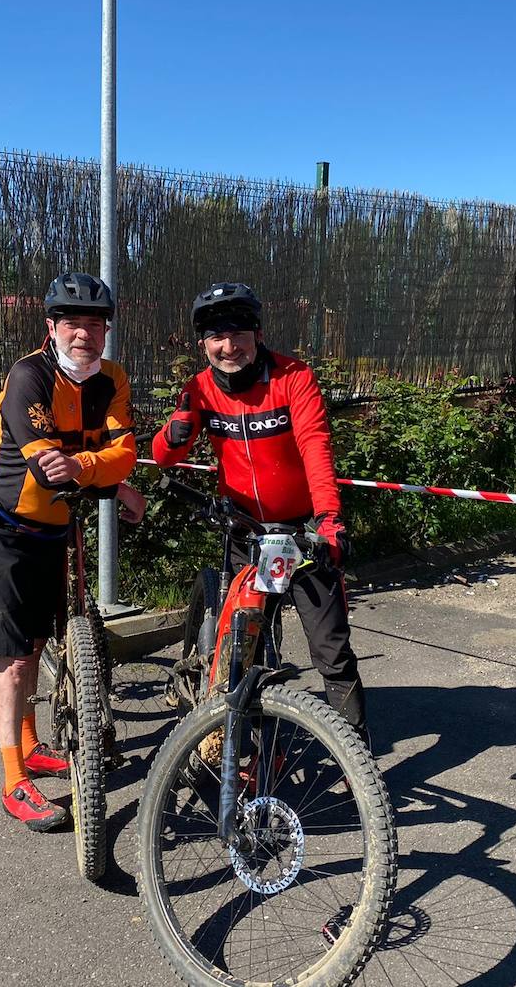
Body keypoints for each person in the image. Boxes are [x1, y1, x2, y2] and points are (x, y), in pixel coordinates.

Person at [0, 272, 145, 832]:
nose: (84, 333)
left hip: (54, 528)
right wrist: (106, 475)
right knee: (14, 657)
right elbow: (47, 465)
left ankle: (33, 742)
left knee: (39, 642)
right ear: (52, 327)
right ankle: (14, 780)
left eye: (95, 323)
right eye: (72, 323)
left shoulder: (111, 379)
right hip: (4, 526)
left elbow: (123, 452)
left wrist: (103, 472)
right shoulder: (28, 377)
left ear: (106, 329)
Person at [152, 282, 368, 742]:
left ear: (257, 332)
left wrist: (330, 518)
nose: (229, 347)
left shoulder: (294, 377)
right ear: (202, 344)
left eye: (238, 334)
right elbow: (165, 455)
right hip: (244, 531)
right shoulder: (200, 389)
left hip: (301, 530)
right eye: (216, 337)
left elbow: (315, 447)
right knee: (243, 648)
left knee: (332, 649)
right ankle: (241, 744)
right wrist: (181, 425)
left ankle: (356, 752)